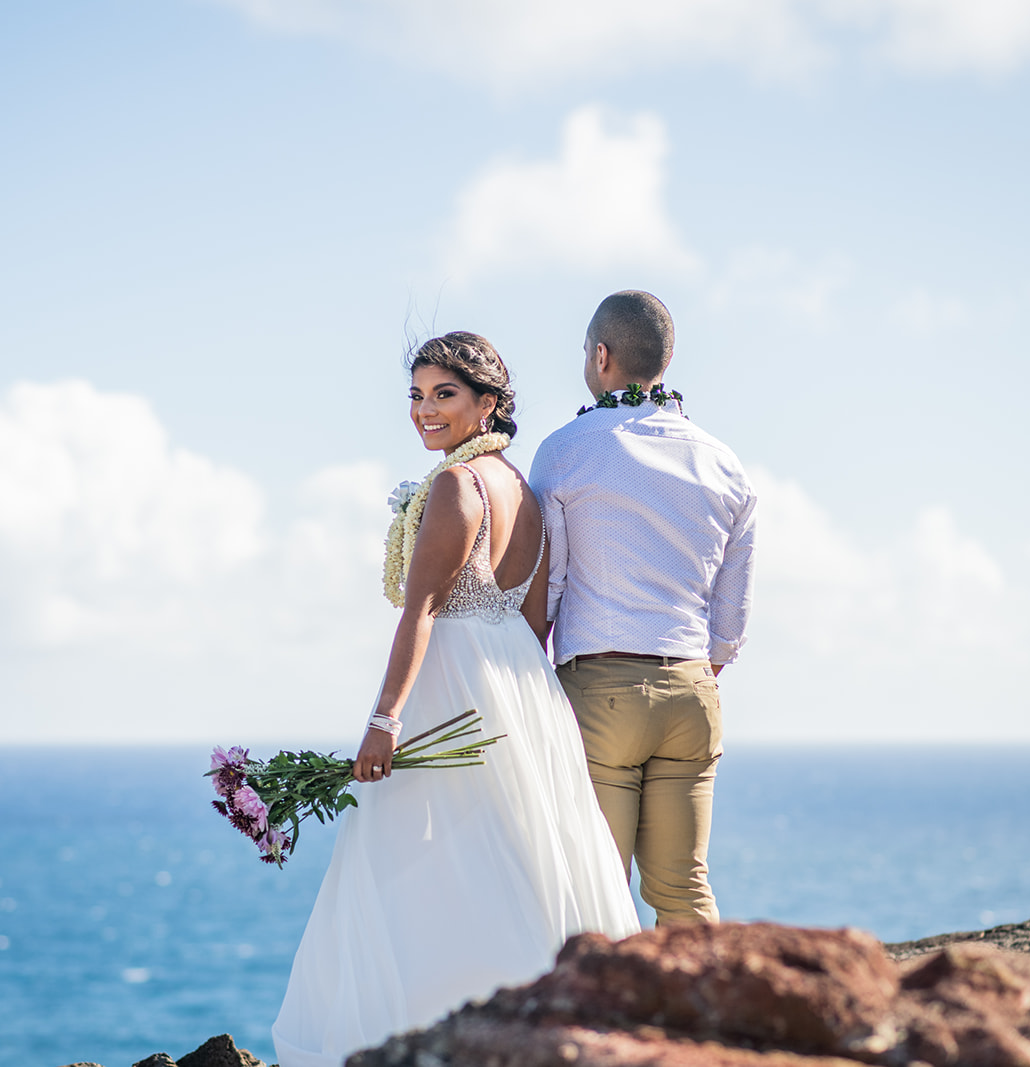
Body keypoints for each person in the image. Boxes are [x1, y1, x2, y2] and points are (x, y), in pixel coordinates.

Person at [272, 332, 641, 1067]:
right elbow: (536, 619)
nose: (424, 410)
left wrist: (384, 722)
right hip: (517, 685)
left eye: (444, 394)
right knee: (512, 854)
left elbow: (423, 611)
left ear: (489, 404)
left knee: (419, 861)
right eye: (416, 394)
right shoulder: (528, 497)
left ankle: (431, 1025)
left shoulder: (455, 486)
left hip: (452, 682)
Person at [529, 291, 756, 927]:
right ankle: (708, 1021)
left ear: (601, 356)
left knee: (594, 893)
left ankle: (595, 1026)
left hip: (600, 689)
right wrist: (693, 669)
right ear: (668, 358)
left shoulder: (566, 450)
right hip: (691, 689)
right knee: (685, 891)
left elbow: (549, 589)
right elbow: (732, 620)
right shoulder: (725, 464)